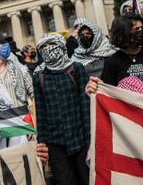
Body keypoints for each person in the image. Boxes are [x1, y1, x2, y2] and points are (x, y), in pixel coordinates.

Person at [33, 34, 90, 185]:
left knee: (88, 179)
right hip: (55, 144)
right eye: (43, 48)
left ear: (61, 47)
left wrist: (91, 141)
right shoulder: (39, 76)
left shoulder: (76, 68)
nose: (48, 50)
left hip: (81, 139)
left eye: (51, 45)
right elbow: (41, 114)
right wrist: (42, 144)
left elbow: (86, 107)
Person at [0, 32, 33, 108]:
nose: (6, 44)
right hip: (0, 118)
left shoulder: (20, 69)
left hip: (23, 117)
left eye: (6, 42)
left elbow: (34, 93)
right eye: (2, 43)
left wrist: (34, 116)